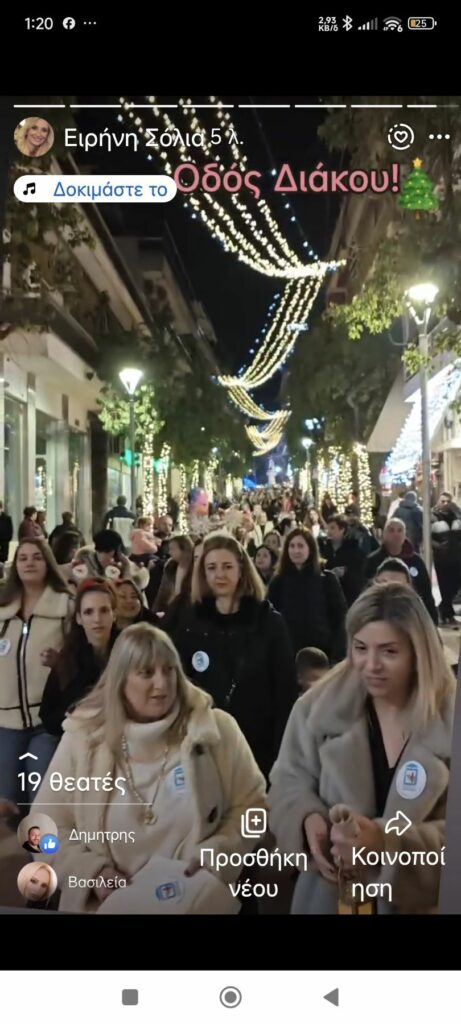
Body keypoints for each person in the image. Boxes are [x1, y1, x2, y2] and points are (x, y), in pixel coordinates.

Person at [34, 623, 267, 914]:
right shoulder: (83, 739)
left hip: (196, 905)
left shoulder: (216, 731)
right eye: (147, 673)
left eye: (169, 670)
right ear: (120, 680)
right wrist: (91, 872)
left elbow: (253, 807)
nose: (163, 683)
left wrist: (219, 852)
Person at [268, 583, 455, 915]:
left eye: (389, 651)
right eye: (360, 648)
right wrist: (305, 818)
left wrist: (386, 845)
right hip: (329, 901)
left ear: (418, 653)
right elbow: (286, 783)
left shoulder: (449, 720)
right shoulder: (315, 710)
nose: (371, 665)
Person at [171, 533, 297, 779]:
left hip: (259, 745)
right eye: (212, 568)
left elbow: (285, 691)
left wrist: (281, 753)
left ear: (241, 570)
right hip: (207, 744)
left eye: (227, 567)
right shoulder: (191, 624)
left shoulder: (268, 622)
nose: (220, 574)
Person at [0, 539, 74, 803]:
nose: (29, 563)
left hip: (48, 721)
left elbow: (83, 659)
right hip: (6, 721)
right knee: (6, 802)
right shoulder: (3, 611)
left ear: (48, 563)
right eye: (23, 558)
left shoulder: (66, 606)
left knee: (41, 799)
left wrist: (61, 663)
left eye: (36, 557)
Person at [39, 579, 119, 738]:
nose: (97, 619)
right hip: (76, 736)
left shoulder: (128, 650)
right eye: (89, 612)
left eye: (104, 610)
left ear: (114, 614)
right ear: (78, 618)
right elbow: (48, 714)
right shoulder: (68, 659)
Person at [267, 527, 347, 662]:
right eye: (292, 546)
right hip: (287, 654)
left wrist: (335, 655)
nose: (296, 551)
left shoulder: (327, 580)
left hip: (322, 653)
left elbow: (340, 619)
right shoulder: (278, 581)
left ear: (310, 549)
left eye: (300, 546)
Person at [365, 518, 438, 626]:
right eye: (391, 530)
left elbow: (426, 594)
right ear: (384, 534)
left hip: (411, 618)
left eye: (400, 530)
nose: (396, 534)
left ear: (405, 534)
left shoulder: (416, 561)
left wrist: (432, 622)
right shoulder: (373, 561)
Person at [322, 514, 365, 607]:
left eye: (332, 528)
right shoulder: (323, 548)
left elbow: (359, 577)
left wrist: (346, 572)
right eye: (328, 528)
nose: (329, 531)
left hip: (347, 597)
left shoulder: (353, 550)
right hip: (327, 596)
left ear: (342, 530)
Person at [431, 492, 461, 627]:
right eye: (443, 501)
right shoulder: (433, 517)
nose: (445, 504)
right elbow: (428, 537)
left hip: (456, 556)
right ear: (438, 501)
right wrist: (438, 547)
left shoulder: (456, 516)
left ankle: (444, 610)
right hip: (441, 558)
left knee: (455, 584)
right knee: (445, 586)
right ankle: (447, 614)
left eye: (447, 501)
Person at [152, 535, 194, 616]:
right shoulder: (170, 567)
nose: (169, 552)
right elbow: (162, 591)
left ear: (184, 549)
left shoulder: (195, 567)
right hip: (170, 609)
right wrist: (154, 612)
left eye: (172, 549)